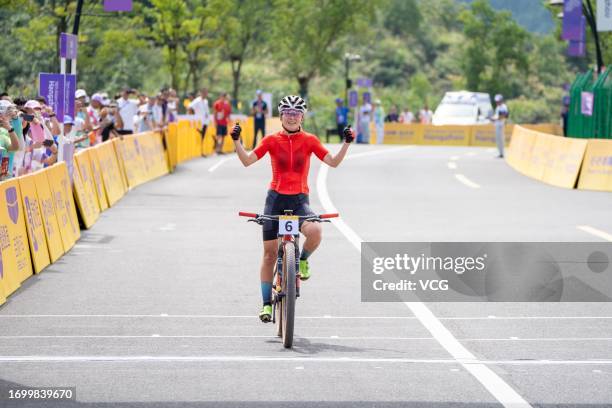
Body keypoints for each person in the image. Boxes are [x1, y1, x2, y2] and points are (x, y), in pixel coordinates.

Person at [229, 95, 354, 322]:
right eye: (287, 112)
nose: (292, 116)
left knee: (316, 231)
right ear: (281, 115)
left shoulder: (310, 140)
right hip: (275, 199)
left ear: (302, 116)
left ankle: (302, 259)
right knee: (268, 255)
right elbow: (247, 161)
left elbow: (333, 163)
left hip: (299, 200)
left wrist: (346, 143)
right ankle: (266, 304)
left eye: (296, 113)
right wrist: (237, 141)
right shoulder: (270, 140)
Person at [492, 94, 509, 158]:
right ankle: (500, 153)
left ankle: (502, 153)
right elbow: (497, 115)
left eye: (498, 101)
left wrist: (495, 119)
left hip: (500, 125)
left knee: (501, 139)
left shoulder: (503, 107)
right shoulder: (498, 107)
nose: (497, 102)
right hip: (497, 125)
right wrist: (493, 118)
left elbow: (504, 115)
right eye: (496, 101)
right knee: (498, 139)